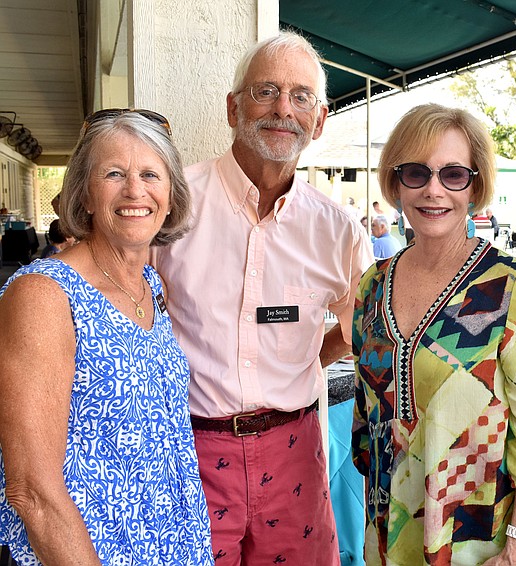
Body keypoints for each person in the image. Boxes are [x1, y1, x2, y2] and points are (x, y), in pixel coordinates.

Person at [151, 31, 373, 565]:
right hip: (189, 451)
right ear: (233, 108)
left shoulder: (338, 230)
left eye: (301, 96)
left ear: (319, 121)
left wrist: (303, 360)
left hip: (294, 450)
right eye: (265, 90)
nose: (282, 109)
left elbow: (363, 325)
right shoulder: (171, 204)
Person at [0, 109, 212, 564]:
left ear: (171, 196)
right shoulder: (44, 295)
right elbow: (30, 491)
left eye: (151, 174)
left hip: (173, 543)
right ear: (85, 195)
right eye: (114, 173)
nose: (135, 190)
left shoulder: (151, 288)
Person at [352, 103, 516, 565]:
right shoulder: (371, 285)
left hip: (476, 546)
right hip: (388, 542)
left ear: (476, 185)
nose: (433, 190)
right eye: (416, 173)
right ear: (396, 181)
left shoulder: (511, 288)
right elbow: (369, 424)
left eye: (453, 175)